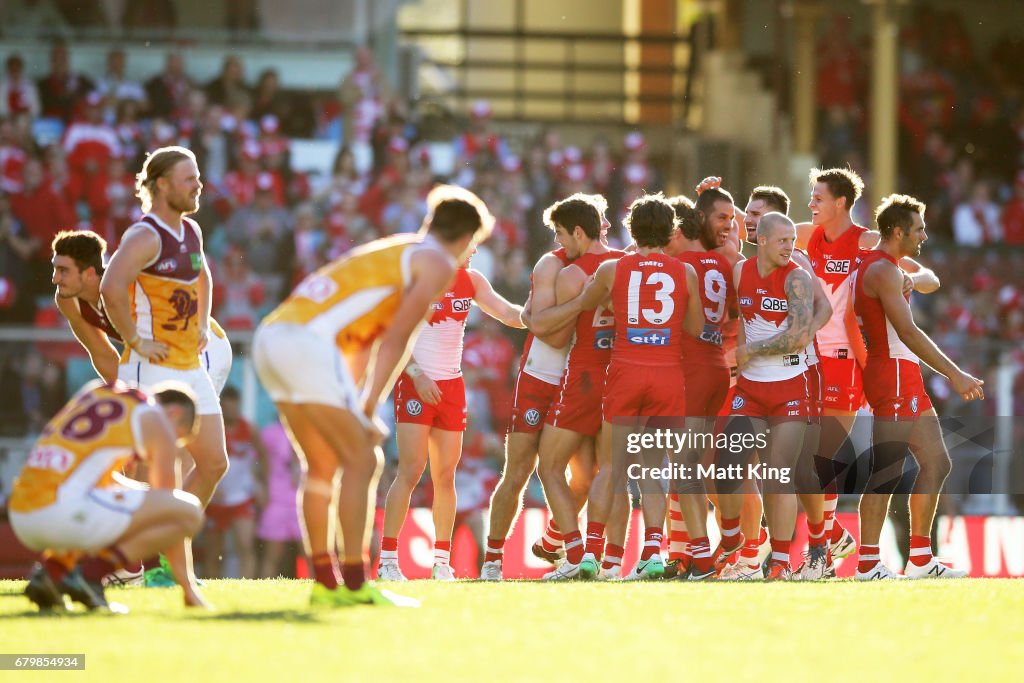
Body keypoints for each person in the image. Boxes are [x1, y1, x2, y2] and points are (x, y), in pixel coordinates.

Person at [252, 185, 491, 607]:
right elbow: (398, 337)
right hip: (309, 344)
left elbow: (362, 343)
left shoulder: (397, 249)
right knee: (365, 457)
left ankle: (325, 583)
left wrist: (359, 400)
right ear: (467, 239)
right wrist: (369, 406)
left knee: (322, 465)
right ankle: (356, 582)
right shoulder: (436, 262)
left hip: (273, 337)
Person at [99, 146, 232, 584]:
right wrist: (136, 339)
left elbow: (202, 275)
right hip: (150, 369)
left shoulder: (190, 229)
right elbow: (111, 287)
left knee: (214, 463)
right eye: (189, 178)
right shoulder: (145, 235)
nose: (199, 185)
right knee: (155, 473)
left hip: (189, 366)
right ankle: (140, 565)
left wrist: (202, 324)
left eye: (197, 177)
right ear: (161, 185)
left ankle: (151, 552)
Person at [852, 194, 983, 580]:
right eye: (919, 229)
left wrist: (912, 277)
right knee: (887, 470)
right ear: (897, 232)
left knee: (937, 463)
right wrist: (954, 374)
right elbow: (908, 331)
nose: (924, 235)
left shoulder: (888, 264)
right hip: (891, 372)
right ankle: (867, 563)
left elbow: (932, 279)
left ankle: (922, 559)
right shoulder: (881, 270)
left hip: (899, 373)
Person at [377, 252, 525, 581]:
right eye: (470, 243)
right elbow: (395, 334)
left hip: (451, 386)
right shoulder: (421, 276)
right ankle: (388, 561)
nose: (474, 251)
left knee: (446, 476)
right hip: (417, 383)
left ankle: (441, 562)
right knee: (411, 471)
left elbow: (507, 313)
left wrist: (543, 313)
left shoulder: (471, 280)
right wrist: (417, 375)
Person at [10, 380, 206, 611]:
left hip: (21, 512)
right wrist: (188, 588)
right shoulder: (157, 418)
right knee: (190, 512)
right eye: (177, 437)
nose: (172, 444)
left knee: (112, 499)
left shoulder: (96, 390)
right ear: (175, 412)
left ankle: (54, 572)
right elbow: (170, 503)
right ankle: (92, 575)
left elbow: (88, 472)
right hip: (58, 510)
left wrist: (139, 493)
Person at [521, 196, 622, 580]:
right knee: (607, 471)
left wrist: (532, 317)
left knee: (548, 466)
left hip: (583, 376)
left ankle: (575, 554)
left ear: (579, 232)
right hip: (620, 375)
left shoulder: (572, 273)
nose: (561, 244)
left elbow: (555, 335)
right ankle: (609, 560)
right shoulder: (624, 265)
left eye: (562, 235)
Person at [718, 212, 817, 581]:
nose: (790, 246)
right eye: (782, 240)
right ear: (761, 239)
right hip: (751, 388)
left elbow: (799, 336)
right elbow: (736, 319)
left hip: (790, 384)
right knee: (729, 465)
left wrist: (751, 351)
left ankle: (779, 560)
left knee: (779, 474)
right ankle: (735, 543)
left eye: (793, 240)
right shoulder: (741, 272)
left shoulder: (796, 277)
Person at [51, 229, 232, 392]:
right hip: (158, 355)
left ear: (90, 273)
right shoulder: (67, 300)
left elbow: (195, 277)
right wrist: (129, 396)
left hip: (200, 345)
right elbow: (102, 354)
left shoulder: (128, 285)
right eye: (55, 268)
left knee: (187, 420)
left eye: (63, 271)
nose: (55, 279)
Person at [203, 386, 264, 579]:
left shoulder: (249, 428)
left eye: (235, 406)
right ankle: (211, 586)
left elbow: (263, 456)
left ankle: (247, 587)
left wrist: (262, 483)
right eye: (227, 407)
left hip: (241, 497)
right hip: (215, 499)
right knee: (213, 551)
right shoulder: (212, 429)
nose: (232, 411)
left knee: (245, 545)